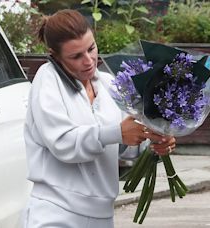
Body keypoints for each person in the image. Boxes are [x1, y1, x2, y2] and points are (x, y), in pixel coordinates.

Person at [23, 9, 176, 228]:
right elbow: (63, 143)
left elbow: (124, 145)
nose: (88, 60)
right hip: (54, 212)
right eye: (76, 56)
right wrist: (116, 132)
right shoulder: (47, 80)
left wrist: (155, 143)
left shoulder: (108, 83)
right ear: (54, 55)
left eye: (91, 48)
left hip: (102, 216)